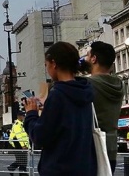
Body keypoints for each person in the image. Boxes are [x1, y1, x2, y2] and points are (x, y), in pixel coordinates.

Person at [24, 41, 96, 175]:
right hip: (84, 167)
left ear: (54, 63)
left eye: (46, 65)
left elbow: (40, 136)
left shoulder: (58, 94)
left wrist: (31, 114)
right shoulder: (86, 91)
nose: (47, 69)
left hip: (59, 168)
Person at [83, 41, 124, 174]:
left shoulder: (87, 84)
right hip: (110, 148)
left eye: (88, 55)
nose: (86, 58)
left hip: (91, 147)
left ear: (94, 59)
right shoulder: (119, 84)